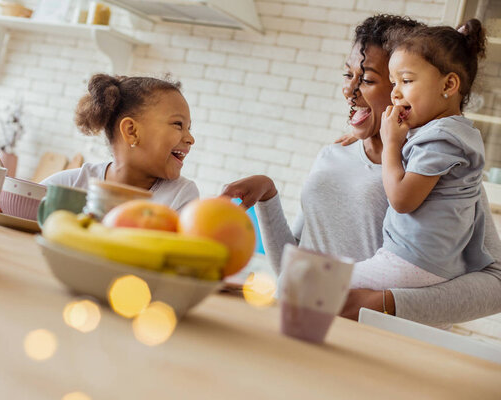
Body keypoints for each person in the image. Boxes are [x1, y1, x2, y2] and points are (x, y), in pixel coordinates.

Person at [222, 15, 501, 325]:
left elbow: (496, 283)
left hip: (388, 347)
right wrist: (267, 197)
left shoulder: (439, 167)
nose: (349, 90)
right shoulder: (333, 157)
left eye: (367, 79)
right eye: (348, 74)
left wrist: (384, 304)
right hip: (310, 330)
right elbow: (295, 272)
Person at [350, 19, 491, 290]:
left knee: (310, 280)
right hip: (422, 263)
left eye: (406, 80)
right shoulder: (451, 133)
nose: (395, 93)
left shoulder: (443, 139)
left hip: (412, 262)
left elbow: (402, 200)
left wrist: (391, 144)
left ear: (449, 85)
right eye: (393, 83)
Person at [42, 74, 199, 212]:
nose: (190, 139)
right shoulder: (69, 185)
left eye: (189, 128)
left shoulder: (182, 196)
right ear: (131, 131)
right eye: (178, 124)